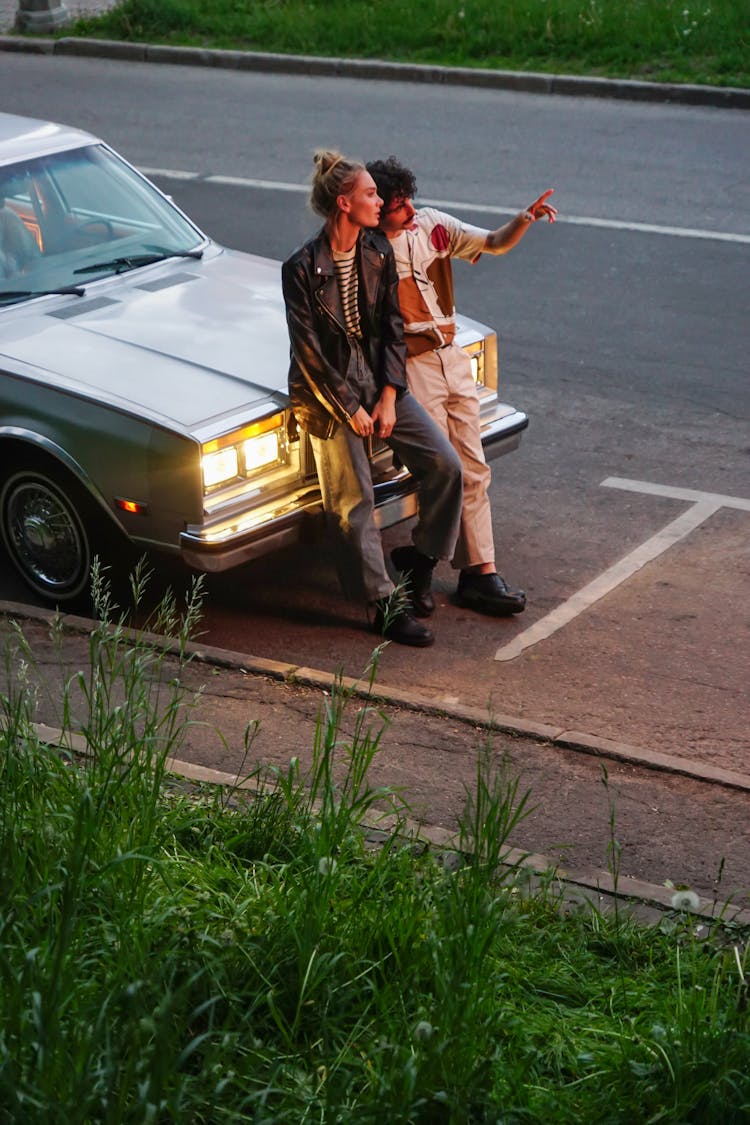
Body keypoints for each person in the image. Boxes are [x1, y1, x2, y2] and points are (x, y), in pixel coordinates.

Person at [281, 150, 464, 648]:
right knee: (352, 501)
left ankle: (419, 563)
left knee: (446, 466)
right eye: (370, 194)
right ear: (344, 204)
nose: (379, 201)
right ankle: (381, 604)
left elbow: (392, 330)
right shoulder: (300, 267)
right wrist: (352, 408)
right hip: (327, 394)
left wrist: (386, 397)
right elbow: (310, 354)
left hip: (378, 382)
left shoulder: (378, 252)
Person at [366, 156, 556, 617]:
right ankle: (421, 565)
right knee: (437, 468)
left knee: (473, 466)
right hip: (409, 364)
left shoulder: (430, 225)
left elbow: (491, 243)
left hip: (451, 355)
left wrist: (523, 221)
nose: (408, 210)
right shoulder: (366, 250)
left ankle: (479, 571)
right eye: (396, 205)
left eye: (408, 199)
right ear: (376, 210)